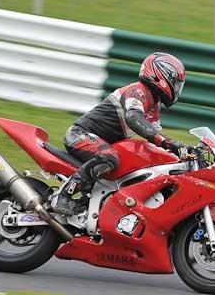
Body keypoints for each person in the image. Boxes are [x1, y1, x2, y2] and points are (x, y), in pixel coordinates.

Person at [49, 52, 190, 216]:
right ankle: (63, 195)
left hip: (99, 141)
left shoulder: (154, 106)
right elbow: (133, 117)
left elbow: (155, 138)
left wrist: (181, 154)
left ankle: (89, 204)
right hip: (80, 134)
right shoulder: (138, 91)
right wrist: (166, 142)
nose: (177, 88)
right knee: (110, 157)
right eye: (176, 83)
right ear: (161, 75)